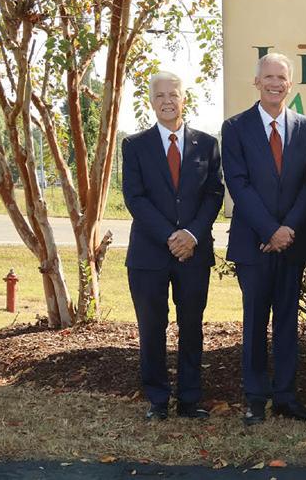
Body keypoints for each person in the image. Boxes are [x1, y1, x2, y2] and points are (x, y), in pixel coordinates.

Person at [221, 53, 306, 425]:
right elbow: (238, 184)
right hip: (254, 243)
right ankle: (255, 398)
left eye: (281, 77)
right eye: (268, 77)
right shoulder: (235, 127)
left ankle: (285, 398)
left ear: (290, 84)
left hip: (291, 243)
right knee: (254, 323)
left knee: (287, 324)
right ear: (257, 81)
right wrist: (269, 230)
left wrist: (287, 230)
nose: (275, 83)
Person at [122, 71, 224, 421]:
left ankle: (189, 400)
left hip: (194, 252)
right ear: (151, 101)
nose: (167, 101)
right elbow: (135, 198)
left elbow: (214, 194)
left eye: (173, 94)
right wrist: (170, 236)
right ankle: (158, 400)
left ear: (184, 99)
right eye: (160, 95)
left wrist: (191, 235)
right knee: (152, 328)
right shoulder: (135, 145)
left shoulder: (207, 144)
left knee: (191, 326)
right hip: (149, 254)